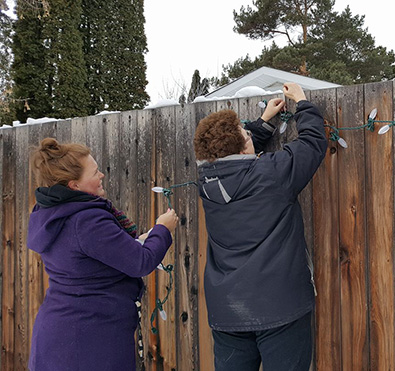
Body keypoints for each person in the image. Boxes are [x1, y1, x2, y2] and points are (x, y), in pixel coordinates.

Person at [194, 82, 327, 370]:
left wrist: (264, 123)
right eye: (245, 133)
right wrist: (302, 102)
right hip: (280, 306)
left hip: (228, 310)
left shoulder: (205, 183)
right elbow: (312, 144)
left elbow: (234, 159)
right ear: (243, 146)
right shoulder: (273, 173)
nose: (248, 133)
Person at [27, 138, 178, 370]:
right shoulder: (86, 220)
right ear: (74, 185)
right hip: (88, 340)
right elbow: (140, 262)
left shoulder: (51, 214)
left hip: (63, 333)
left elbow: (94, 257)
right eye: (95, 172)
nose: (102, 176)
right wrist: (163, 228)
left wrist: (140, 241)